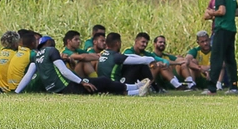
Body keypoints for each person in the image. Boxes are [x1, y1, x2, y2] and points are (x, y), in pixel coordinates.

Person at [17, 35, 151, 96]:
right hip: (66, 87)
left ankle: (135, 89)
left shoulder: (37, 56)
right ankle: (135, 91)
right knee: (101, 82)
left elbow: (28, 76)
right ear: (49, 43)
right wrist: (81, 81)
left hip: (54, 89)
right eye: (53, 42)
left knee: (99, 85)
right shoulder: (51, 51)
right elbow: (63, 71)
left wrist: (17, 92)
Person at [203, 0, 238, 95]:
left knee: (216, 58)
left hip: (222, 28)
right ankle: (234, 86)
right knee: (230, 59)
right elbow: (236, 12)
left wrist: (212, 13)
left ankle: (212, 88)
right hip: (231, 28)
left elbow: (222, 11)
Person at [125, 32, 191, 90]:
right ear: (136, 41)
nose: (145, 45)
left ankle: (179, 86)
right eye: (143, 42)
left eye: (146, 43)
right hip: (129, 77)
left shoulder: (146, 53)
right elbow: (136, 62)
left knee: (160, 65)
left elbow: (163, 60)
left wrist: (164, 63)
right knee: (155, 65)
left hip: (144, 76)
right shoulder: (128, 51)